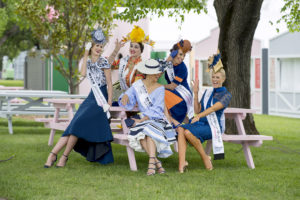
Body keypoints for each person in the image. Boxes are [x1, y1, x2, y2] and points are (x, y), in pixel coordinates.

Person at [44, 28, 114, 168]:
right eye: (96, 46)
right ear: (91, 47)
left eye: (101, 46)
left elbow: (110, 83)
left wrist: (109, 102)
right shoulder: (87, 61)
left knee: (76, 126)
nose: (99, 49)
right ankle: (58, 156)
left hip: (100, 99)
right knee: (74, 127)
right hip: (91, 97)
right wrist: (86, 53)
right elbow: (82, 73)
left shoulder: (104, 62)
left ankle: (56, 155)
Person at [119, 59, 177, 176]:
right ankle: (156, 162)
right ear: (148, 74)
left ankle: (152, 164)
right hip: (145, 120)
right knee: (144, 132)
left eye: (158, 72)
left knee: (146, 131)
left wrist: (142, 120)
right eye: (156, 73)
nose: (158, 75)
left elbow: (157, 110)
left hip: (157, 120)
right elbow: (128, 94)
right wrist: (125, 95)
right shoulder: (138, 85)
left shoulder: (160, 88)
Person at [177, 53, 232, 173]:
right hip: (201, 123)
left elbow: (212, 109)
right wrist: (196, 93)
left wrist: (199, 116)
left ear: (223, 79)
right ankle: (182, 164)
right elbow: (197, 110)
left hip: (213, 126)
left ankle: (205, 158)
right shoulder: (207, 92)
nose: (215, 80)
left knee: (187, 132)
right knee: (181, 129)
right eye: (213, 77)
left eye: (217, 77)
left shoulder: (226, 95)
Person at [164, 39, 194, 126]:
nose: (182, 58)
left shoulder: (182, 68)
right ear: (174, 53)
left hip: (182, 96)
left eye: (184, 55)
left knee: (162, 92)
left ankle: (172, 122)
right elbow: (158, 72)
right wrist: (168, 60)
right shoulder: (169, 65)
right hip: (174, 94)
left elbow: (172, 86)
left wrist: (157, 86)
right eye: (180, 54)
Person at [118, 25, 155, 91]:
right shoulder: (124, 61)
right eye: (131, 46)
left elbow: (137, 86)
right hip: (123, 95)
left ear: (141, 50)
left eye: (136, 47)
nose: (132, 49)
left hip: (134, 96)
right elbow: (108, 64)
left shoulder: (142, 65)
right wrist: (116, 49)